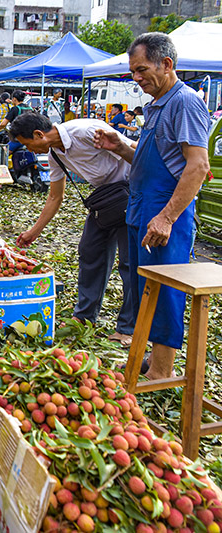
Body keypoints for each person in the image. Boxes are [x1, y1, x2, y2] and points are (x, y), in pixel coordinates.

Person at [94, 32, 211, 381]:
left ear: (167, 64)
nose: (136, 78)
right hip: (142, 211)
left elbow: (197, 166)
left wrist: (167, 217)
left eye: (142, 69)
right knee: (143, 290)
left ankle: (161, 370)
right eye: (133, 71)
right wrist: (120, 148)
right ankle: (144, 358)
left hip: (163, 215)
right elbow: (155, 159)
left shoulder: (184, 102)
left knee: (165, 293)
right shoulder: (157, 105)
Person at [10, 112, 136, 346]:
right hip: (105, 200)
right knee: (89, 252)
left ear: (39, 134)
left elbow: (137, 150)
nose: (30, 150)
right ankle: (84, 317)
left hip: (131, 195)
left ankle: (129, 328)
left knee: (130, 264)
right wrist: (33, 232)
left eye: (29, 144)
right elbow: (55, 197)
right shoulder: (55, 154)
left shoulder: (87, 131)